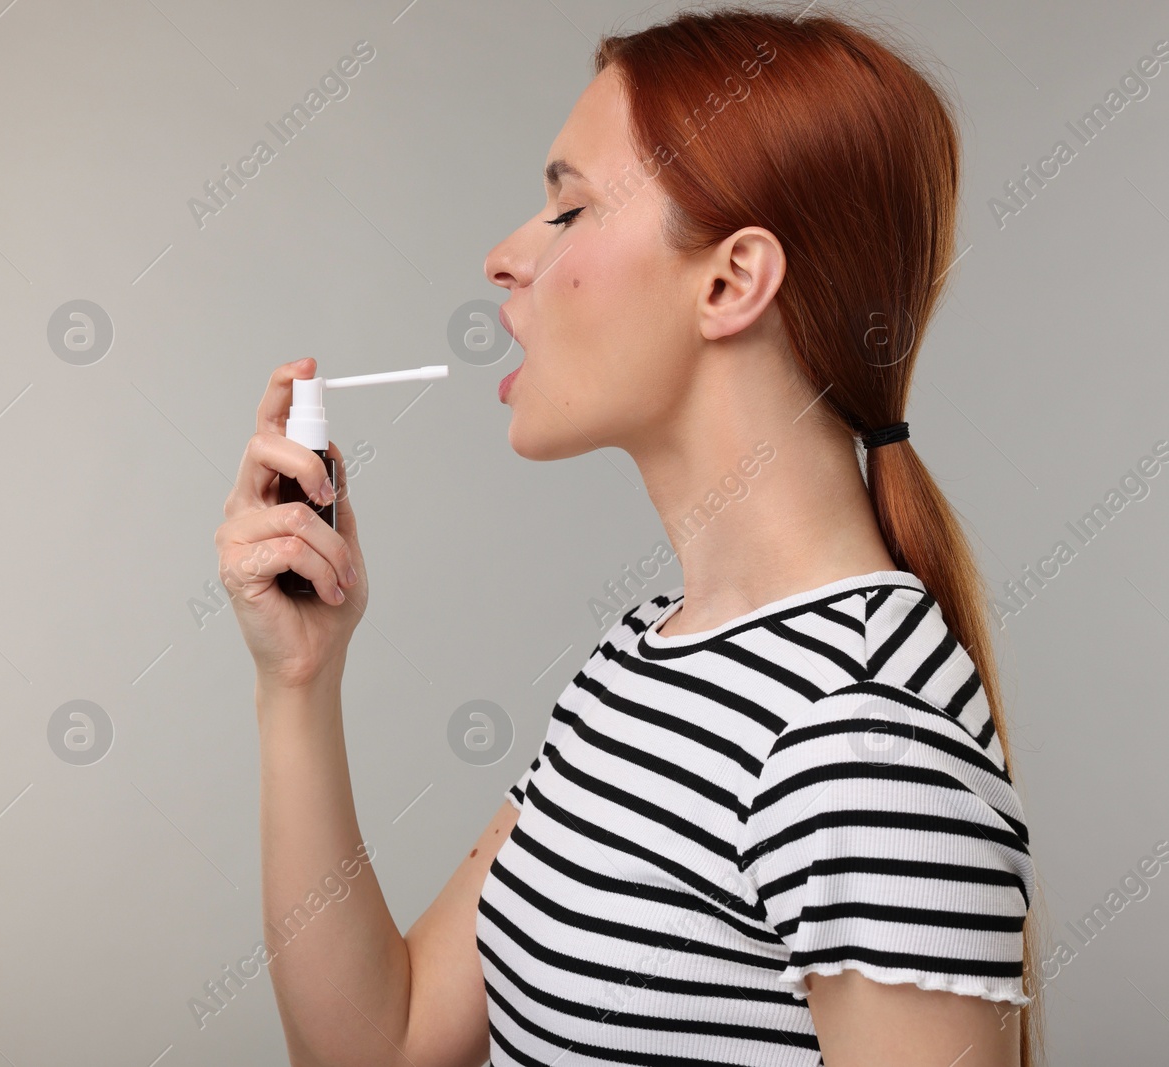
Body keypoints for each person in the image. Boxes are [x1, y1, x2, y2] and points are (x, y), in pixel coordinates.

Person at [214, 6, 1043, 1065]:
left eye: (568, 210)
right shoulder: (641, 660)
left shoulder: (861, 738)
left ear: (730, 280)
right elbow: (385, 1043)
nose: (504, 257)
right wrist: (298, 682)